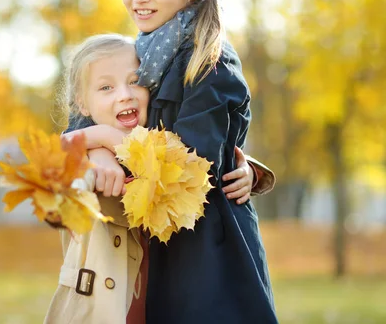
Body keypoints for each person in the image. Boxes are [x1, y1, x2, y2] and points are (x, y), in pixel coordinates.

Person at [46, 33, 275, 323]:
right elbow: (50, 176)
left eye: (134, 81)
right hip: (107, 305)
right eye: (106, 87)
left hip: (164, 298)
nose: (124, 94)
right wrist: (97, 140)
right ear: (83, 104)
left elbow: (198, 160)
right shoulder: (84, 156)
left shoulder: (161, 139)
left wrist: (248, 171)